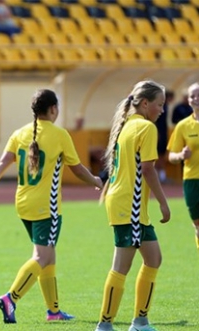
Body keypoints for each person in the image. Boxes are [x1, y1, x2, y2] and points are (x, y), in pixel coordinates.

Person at [0, 89, 103, 324]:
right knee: (42, 256)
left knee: (48, 257)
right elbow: (77, 168)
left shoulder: (20, 133)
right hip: (47, 208)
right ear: (53, 109)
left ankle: (53, 311)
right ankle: (11, 298)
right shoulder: (60, 134)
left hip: (23, 204)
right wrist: (94, 180)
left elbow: (2, 164)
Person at [94, 80, 171, 331]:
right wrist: (163, 202)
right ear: (145, 103)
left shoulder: (127, 125)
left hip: (125, 203)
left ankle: (140, 321)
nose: (162, 110)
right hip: (131, 205)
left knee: (153, 258)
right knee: (122, 266)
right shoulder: (146, 128)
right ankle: (105, 325)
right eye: (159, 104)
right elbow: (148, 170)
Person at [167, 82, 199, 250]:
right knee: (197, 225)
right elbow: (171, 156)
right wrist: (181, 155)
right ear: (188, 100)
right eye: (193, 96)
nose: (196, 99)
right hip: (192, 180)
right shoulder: (183, 126)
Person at [155, 90, 174, 183]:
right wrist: (157, 132)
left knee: (162, 154)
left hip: (163, 132)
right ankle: (157, 176)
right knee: (157, 155)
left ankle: (162, 176)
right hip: (159, 133)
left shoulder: (165, 106)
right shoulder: (159, 106)